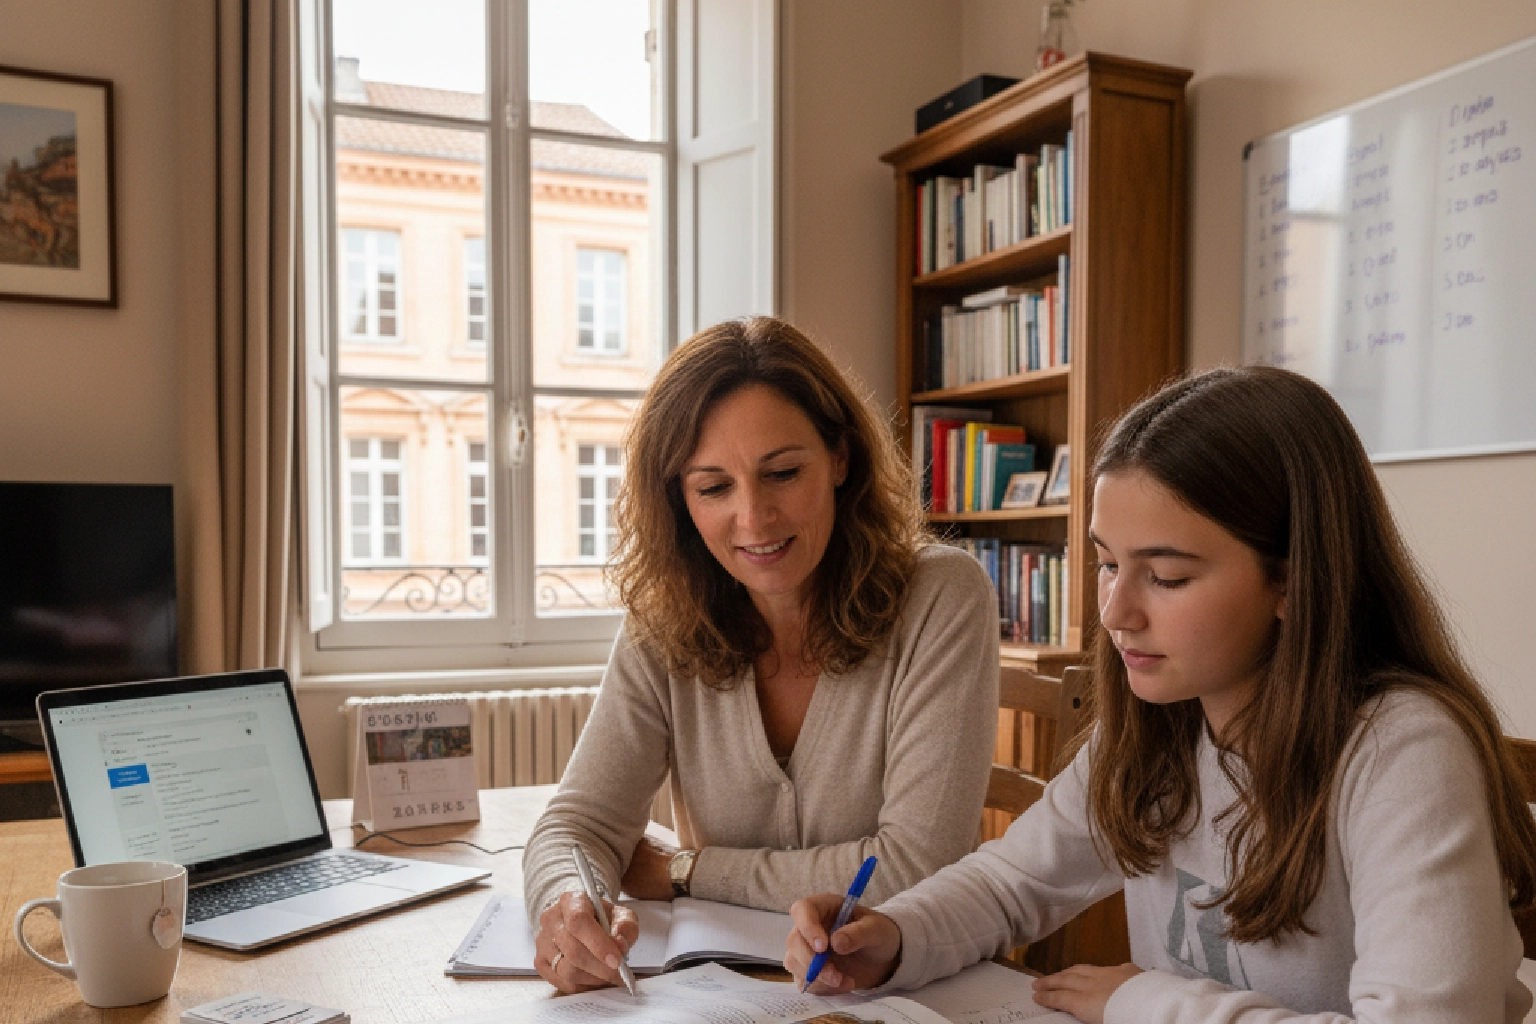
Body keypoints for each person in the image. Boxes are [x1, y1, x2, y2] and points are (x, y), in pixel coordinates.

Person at [784, 365, 1536, 1024]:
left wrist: (1146, 1002)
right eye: (1108, 565)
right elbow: (1014, 882)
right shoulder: (1161, 726)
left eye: (1167, 577)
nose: (1115, 613)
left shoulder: (1404, 751)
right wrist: (892, 936)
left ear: (1292, 579)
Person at [524, 316, 1001, 994]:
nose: (755, 518)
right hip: (728, 995)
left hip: (906, 995)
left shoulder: (942, 596)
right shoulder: (663, 620)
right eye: (714, 487)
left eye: (781, 473)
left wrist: (688, 870)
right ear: (680, 500)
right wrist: (571, 904)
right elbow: (577, 825)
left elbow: (916, 869)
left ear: (840, 459)